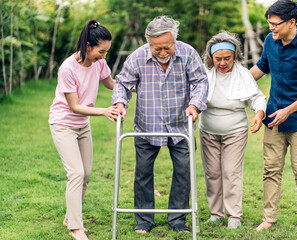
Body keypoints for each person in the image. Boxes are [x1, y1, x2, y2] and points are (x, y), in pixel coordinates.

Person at [111, 16, 208, 234]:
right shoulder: (137, 57)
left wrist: (195, 105)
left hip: (180, 124)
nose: (163, 52)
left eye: (167, 47)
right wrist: (120, 103)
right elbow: (122, 83)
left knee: (184, 171)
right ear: (148, 43)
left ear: (175, 40)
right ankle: (144, 220)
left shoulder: (188, 53)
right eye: (157, 48)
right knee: (143, 173)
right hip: (147, 125)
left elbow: (200, 81)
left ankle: (178, 219)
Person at [249, 0, 297, 232]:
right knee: (270, 169)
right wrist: (234, 82)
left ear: (291, 22)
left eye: (275, 24)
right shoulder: (269, 42)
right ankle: (268, 218)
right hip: (274, 117)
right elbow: (261, 68)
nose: (271, 28)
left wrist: (289, 110)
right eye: (269, 24)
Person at [49, 19, 119, 240]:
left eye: (107, 51)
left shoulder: (98, 63)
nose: (103, 56)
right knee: (76, 173)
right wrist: (103, 111)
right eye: (101, 51)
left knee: (86, 174)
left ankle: (71, 217)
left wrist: (132, 87)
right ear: (88, 46)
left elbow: (110, 83)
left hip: (82, 125)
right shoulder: (68, 68)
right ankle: (75, 227)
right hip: (63, 124)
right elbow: (74, 106)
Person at [199, 31, 266, 229]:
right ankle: (215, 213)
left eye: (227, 58)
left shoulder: (243, 74)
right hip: (208, 130)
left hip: (235, 131)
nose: (222, 63)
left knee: (231, 172)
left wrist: (259, 114)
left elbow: (257, 98)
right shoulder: (204, 72)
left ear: (235, 56)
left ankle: (234, 216)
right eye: (218, 58)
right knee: (212, 173)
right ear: (211, 58)